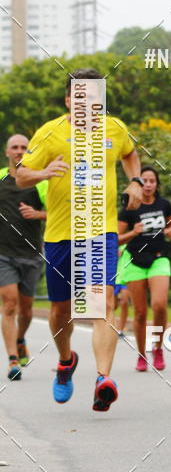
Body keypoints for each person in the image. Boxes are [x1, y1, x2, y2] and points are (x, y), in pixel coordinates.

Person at [16, 69, 143, 411]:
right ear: (70, 100)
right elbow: (21, 174)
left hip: (100, 232)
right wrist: (42, 173)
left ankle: (103, 379)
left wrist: (135, 182)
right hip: (61, 235)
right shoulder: (51, 133)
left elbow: (130, 154)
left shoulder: (114, 128)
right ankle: (66, 359)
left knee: (102, 305)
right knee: (62, 311)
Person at [117, 166, 171, 372]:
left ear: (157, 184)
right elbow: (115, 239)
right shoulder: (129, 209)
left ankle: (157, 349)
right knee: (140, 313)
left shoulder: (164, 205)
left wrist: (170, 232)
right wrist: (133, 233)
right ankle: (141, 355)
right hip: (134, 262)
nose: (148, 184)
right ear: (138, 184)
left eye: (152, 181)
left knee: (159, 305)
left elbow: (170, 227)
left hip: (159, 259)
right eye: (144, 181)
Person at [0, 135, 48, 381]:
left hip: (30, 253)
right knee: (9, 304)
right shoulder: (0, 178)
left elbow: (58, 212)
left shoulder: (38, 181)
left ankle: (20, 338)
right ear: (7, 152)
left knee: (26, 311)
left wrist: (38, 214)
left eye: (23, 148)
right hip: (3, 254)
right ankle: (12, 361)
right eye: (15, 147)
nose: (19, 151)